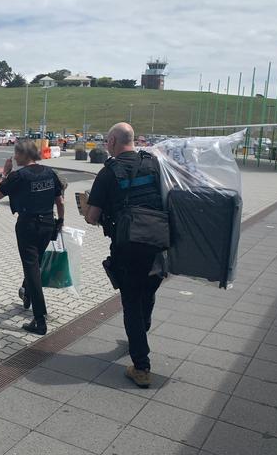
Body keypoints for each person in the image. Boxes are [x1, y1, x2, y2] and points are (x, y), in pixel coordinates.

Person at [85, 122, 164, 388]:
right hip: (156, 242)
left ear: (112, 141)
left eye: (108, 141)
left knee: (131, 302)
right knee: (148, 292)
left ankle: (141, 367)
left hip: (127, 246)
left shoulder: (108, 173)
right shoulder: (153, 164)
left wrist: (89, 210)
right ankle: (141, 333)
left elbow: (93, 216)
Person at [0, 139, 65, 335]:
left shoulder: (18, 176)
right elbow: (60, 200)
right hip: (48, 223)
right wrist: (61, 221)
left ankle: (39, 319)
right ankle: (27, 290)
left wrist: (4, 173)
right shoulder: (50, 173)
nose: (14, 157)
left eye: (16, 154)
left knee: (32, 268)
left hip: (28, 225)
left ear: (24, 155)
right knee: (36, 263)